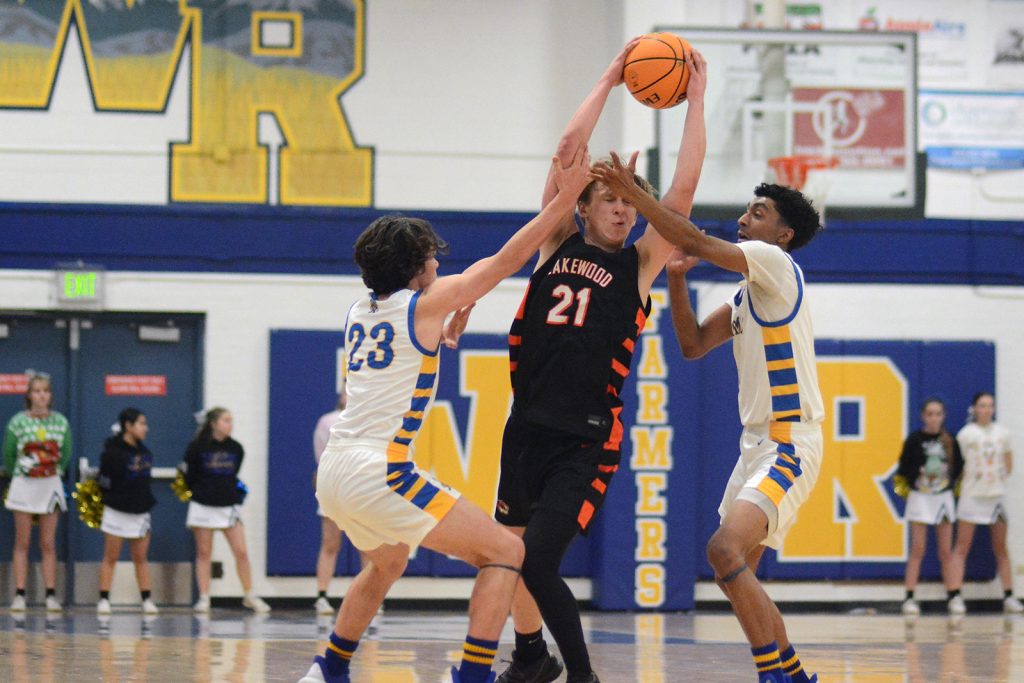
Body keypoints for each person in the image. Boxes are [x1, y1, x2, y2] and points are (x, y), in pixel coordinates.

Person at [298, 146, 592, 683]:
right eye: (432, 257)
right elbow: (504, 262)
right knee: (505, 551)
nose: (438, 264)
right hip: (378, 469)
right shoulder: (423, 305)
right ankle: (474, 676)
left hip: (335, 471)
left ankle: (329, 670)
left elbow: (407, 343)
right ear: (416, 268)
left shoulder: (359, 310)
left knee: (387, 561)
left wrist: (441, 330)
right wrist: (565, 200)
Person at [492, 44, 707, 683]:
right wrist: (611, 78)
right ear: (581, 206)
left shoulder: (639, 265)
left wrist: (695, 101)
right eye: (608, 197)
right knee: (510, 557)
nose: (620, 208)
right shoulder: (553, 241)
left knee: (537, 562)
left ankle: (582, 676)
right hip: (525, 426)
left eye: (629, 201)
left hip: (584, 437)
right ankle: (531, 657)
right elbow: (566, 151)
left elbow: (684, 188)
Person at [590, 158, 825, 681]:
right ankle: (791, 674)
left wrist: (636, 196)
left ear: (782, 235)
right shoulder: (749, 294)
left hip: (788, 441)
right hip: (757, 445)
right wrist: (676, 279)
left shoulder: (774, 262)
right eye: (747, 210)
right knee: (733, 572)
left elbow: (693, 240)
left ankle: (774, 674)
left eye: (758, 213)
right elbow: (693, 344)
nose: (743, 218)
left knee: (723, 550)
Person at [183, 407, 271, 614]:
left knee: (241, 551)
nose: (230, 424)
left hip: (228, 505)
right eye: (226, 420)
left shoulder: (236, 448)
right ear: (213, 424)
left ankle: (249, 594)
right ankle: (204, 597)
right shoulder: (197, 448)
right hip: (203, 505)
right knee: (204, 552)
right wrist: (202, 491)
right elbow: (189, 476)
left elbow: (234, 473)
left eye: (231, 420)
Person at [946, 392, 1023, 615]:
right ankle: (955, 595)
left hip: (995, 497)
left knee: (1001, 547)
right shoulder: (966, 435)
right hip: (972, 496)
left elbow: (1008, 463)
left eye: (990, 405)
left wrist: (996, 478)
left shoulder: (1002, 433)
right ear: (974, 409)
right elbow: (957, 466)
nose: (987, 410)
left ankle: (1009, 596)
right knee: (962, 546)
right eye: (982, 405)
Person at [3, 372, 72, 613]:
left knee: (47, 542)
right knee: (22, 541)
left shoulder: (61, 422)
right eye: (37, 391)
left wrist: (50, 472)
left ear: (50, 396)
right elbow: (9, 455)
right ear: (29, 395)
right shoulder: (17, 422)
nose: (42, 396)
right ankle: (20, 594)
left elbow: (66, 455)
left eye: (46, 391)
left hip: (49, 485)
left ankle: (50, 594)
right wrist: (22, 473)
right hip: (24, 485)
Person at [893, 397, 962, 617]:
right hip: (920, 498)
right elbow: (903, 468)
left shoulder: (950, 440)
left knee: (945, 551)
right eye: (930, 414)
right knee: (918, 549)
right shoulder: (914, 440)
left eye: (938, 414)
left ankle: (954, 595)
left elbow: (959, 468)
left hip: (943, 498)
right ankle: (909, 596)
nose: (934, 418)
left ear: (943, 416)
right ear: (923, 416)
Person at [96, 408, 159, 615]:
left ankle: (146, 599)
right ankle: (104, 599)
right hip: (117, 511)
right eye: (141, 424)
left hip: (140, 512)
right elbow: (104, 482)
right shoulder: (112, 454)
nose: (146, 428)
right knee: (110, 557)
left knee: (141, 558)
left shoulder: (145, 453)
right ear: (128, 426)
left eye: (145, 424)